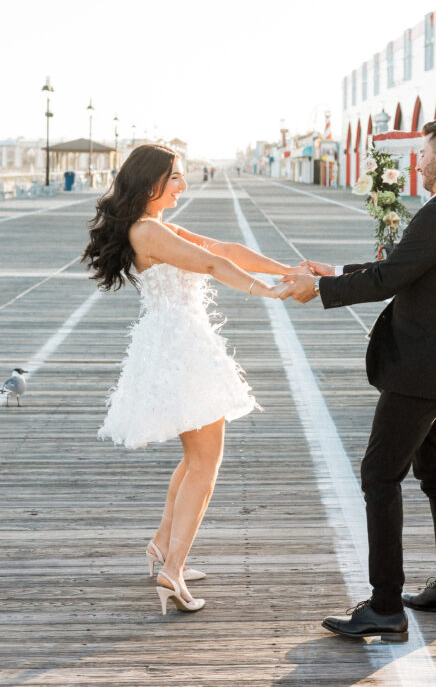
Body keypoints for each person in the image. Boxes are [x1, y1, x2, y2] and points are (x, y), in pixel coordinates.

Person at [282, 120, 436, 641]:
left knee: (380, 474)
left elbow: (390, 278)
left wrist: (322, 290)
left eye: (424, 153)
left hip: (421, 365)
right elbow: (404, 267)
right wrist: (330, 269)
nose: (418, 162)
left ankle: (385, 607)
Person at [82, 144, 294, 615]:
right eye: (175, 177)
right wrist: (272, 292)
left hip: (174, 343)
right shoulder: (149, 230)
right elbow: (213, 266)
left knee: (194, 456)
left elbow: (223, 250)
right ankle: (173, 570)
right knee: (206, 462)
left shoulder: (152, 226)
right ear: (151, 181)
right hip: (181, 347)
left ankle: (162, 545)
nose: (182, 184)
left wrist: (288, 270)